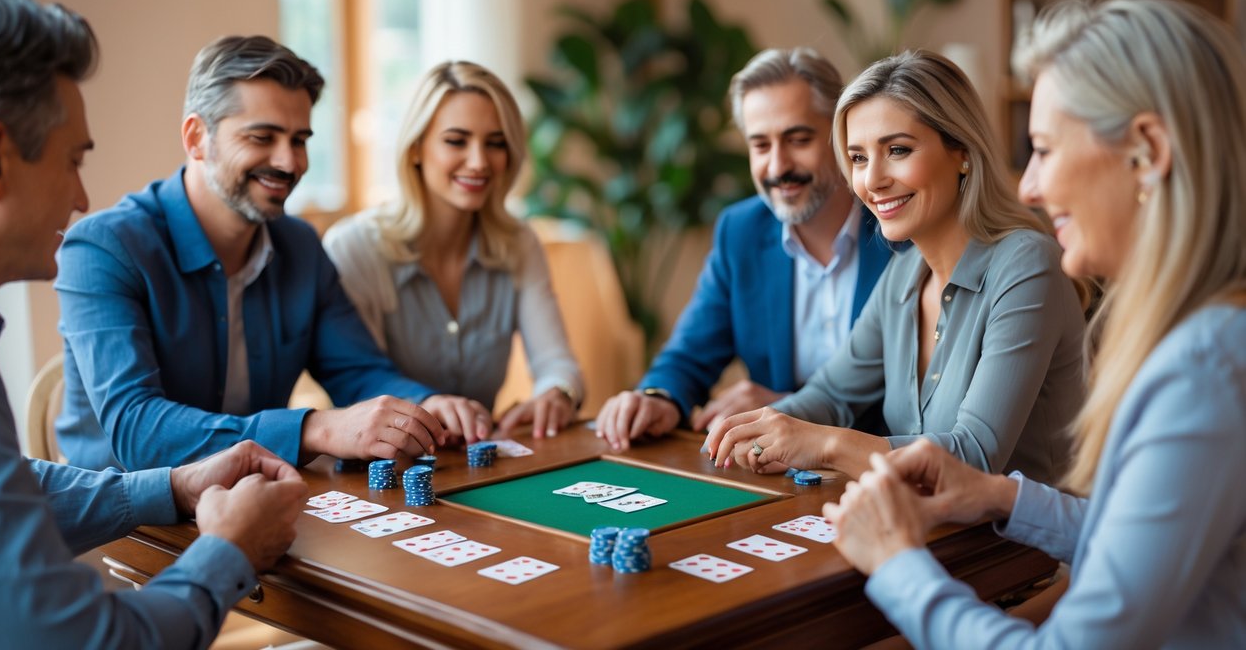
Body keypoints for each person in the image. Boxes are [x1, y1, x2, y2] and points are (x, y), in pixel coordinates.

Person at [823, 0, 1246, 648]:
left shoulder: (1202, 368)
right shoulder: (1209, 337)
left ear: (1147, 151)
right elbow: (1153, 540)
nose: (1028, 186)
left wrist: (896, 563)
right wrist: (1000, 499)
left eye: (1043, 149)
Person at [0, 0, 307, 648]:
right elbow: (93, 643)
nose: (81, 196)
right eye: (74, 161)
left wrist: (172, 487)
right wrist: (231, 550)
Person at [55, 35, 459, 471]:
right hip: (128, 524)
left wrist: (424, 406)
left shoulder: (301, 246)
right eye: (262, 136)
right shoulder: (103, 248)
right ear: (196, 138)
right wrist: (315, 429)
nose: (288, 162)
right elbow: (137, 432)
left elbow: (356, 370)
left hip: (261, 502)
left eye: (300, 140)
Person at [707, 49, 1085, 484]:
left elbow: (975, 458)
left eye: (898, 150)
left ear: (961, 152)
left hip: (1031, 548)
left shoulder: (1027, 264)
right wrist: (757, 428)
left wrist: (824, 444)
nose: (872, 180)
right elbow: (831, 395)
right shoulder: (906, 273)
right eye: (859, 158)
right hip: (927, 532)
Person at [595, 47, 893, 450]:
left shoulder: (900, 229)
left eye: (798, 139)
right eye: (760, 145)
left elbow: (925, 402)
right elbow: (688, 355)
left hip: (881, 471)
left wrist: (795, 410)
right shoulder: (741, 231)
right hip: (773, 475)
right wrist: (657, 399)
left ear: (842, 137)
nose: (776, 167)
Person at [323, 61, 583, 441]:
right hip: (383, 468)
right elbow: (359, 381)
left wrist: (557, 393)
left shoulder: (519, 242)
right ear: (415, 149)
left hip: (478, 468)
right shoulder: (355, 247)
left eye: (495, 143)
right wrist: (426, 404)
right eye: (456, 141)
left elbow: (558, 364)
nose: (479, 161)